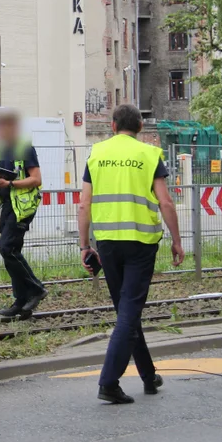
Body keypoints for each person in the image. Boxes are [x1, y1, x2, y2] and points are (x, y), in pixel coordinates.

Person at [77, 105, 184, 404]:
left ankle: (149, 376)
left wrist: (85, 246)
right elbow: (166, 203)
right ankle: (109, 382)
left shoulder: (96, 154)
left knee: (127, 311)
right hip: (140, 244)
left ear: (112, 126)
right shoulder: (149, 155)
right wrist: (177, 240)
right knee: (129, 312)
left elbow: (84, 205)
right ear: (139, 126)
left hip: (108, 243)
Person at [0, 108, 47, 320]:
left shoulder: (26, 149)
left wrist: (10, 183)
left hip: (21, 207)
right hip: (7, 206)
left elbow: (36, 179)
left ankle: (36, 289)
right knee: (11, 251)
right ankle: (22, 302)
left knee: (7, 249)